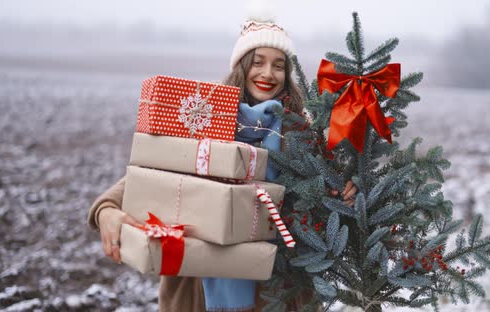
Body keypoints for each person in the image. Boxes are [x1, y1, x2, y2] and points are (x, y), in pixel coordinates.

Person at [87, 17, 357, 312]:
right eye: (258, 62)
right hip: (200, 287)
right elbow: (159, 170)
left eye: (278, 65)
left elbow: (328, 188)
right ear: (241, 65)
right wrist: (107, 210)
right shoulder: (210, 117)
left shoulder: (301, 128)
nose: (268, 73)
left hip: (279, 291)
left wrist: (343, 193)